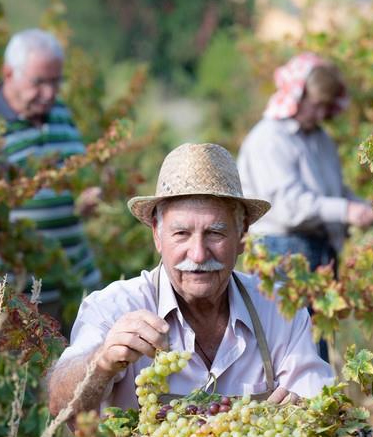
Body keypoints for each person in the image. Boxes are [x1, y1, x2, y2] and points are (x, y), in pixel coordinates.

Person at [47, 142, 335, 419]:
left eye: (215, 233)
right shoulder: (113, 307)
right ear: (157, 235)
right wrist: (102, 363)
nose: (198, 255)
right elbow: (60, 406)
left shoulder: (280, 308)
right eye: (181, 234)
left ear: (242, 236)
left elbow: (319, 405)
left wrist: (308, 409)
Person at [236, 52, 373, 359]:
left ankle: (319, 406)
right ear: (296, 95)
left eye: (326, 107)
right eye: (316, 105)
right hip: (281, 252)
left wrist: (370, 208)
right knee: (292, 349)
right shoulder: (270, 140)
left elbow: (335, 191)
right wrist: (346, 211)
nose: (321, 113)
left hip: (318, 249)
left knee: (317, 345)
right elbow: (287, 207)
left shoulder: (319, 139)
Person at [0, 28, 101, 327]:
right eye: (39, 82)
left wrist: (86, 193)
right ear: (8, 73)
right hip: (19, 293)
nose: (49, 94)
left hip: (76, 282)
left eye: (55, 82)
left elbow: (79, 168)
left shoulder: (61, 112)